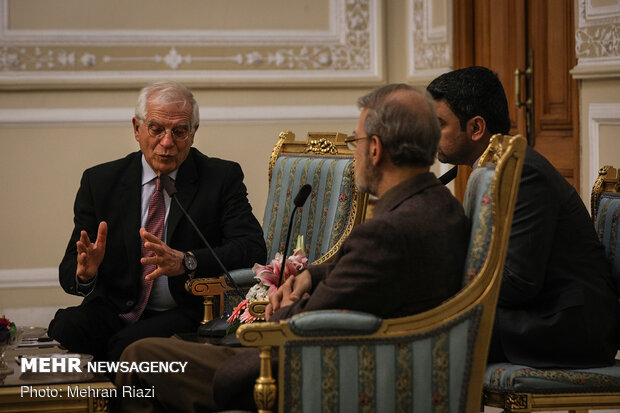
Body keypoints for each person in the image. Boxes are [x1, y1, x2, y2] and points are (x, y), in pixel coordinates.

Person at [115, 84, 471, 412]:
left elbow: (307, 322)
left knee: (139, 357)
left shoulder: (386, 232)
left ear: (375, 149)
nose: (357, 151)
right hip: (376, 360)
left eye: (356, 141)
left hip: (294, 370)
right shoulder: (442, 207)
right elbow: (375, 275)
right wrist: (311, 277)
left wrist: (280, 311)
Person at [48, 80, 267, 362]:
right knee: (66, 328)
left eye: (179, 131)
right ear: (137, 129)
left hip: (183, 310)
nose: (167, 142)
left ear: (193, 133)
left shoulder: (220, 178)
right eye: (156, 129)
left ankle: (119, 404)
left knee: (126, 348)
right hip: (115, 307)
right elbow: (70, 269)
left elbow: (251, 247)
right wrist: (86, 274)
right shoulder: (101, 182)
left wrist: (187, 260)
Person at [427, 66, 619, 368]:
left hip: (566, 324)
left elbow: (519, 284)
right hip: (538, 311)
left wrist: (442, 283)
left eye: (439, 124)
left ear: (476, 128)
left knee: (428, 333)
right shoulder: (494, 167)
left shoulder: (522, 172)